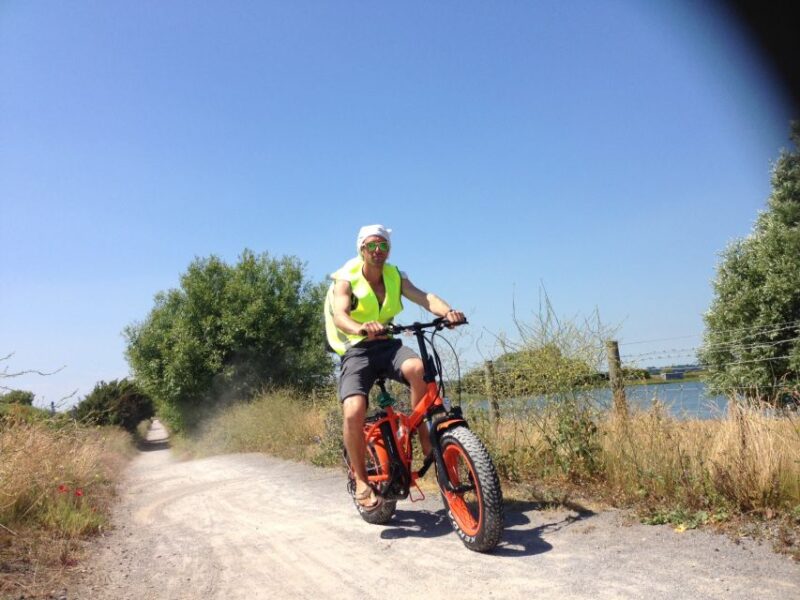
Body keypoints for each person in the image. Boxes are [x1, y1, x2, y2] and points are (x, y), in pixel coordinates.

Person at [324, 224, 465, 511]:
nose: (378, 252)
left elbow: (424, 297)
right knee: (353, 409)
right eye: (372, 246)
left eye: (383, 246)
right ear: (362, 249)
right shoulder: (345, 278)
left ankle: (426, 439)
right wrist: (361, 328)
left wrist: (448, 312)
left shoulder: (394, 275)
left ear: (389, 249)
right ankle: (362, 482)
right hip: (357, 349)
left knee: (419, 370)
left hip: (387, 344)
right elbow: (340, 315)